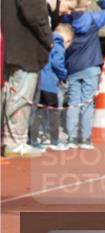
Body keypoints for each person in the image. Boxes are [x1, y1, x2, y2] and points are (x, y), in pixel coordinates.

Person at [1, 0, 53, 157]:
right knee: (20, 93)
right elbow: (34, 11)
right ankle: (15, 141)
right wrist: (47, 36)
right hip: (25, 44)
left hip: (6, 42)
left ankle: (7, 139)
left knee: (7, 92)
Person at [59, 0, 105, 148]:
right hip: (91, 65)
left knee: (73, 102)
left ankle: (70, 137)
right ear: (84, 3)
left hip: (72, 66)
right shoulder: (93, 19)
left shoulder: (65, 20)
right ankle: (85, 138)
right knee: (87, 103)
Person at [29, 22, 72, 150]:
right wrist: (64, 75)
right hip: (49, 84)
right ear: (67, 40)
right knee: (54, 112)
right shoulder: (58, 46)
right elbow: (57, 63)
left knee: (36, 111)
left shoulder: (46, 41)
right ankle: (54, 140)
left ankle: (32, 138)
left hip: (39, 81)